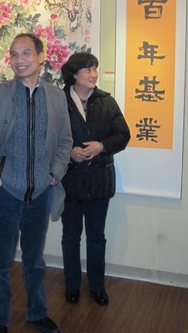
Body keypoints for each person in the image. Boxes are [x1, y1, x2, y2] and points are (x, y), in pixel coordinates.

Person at [0, 33, 73, 333]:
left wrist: (55, 173)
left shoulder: (56, 98)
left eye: (26, 53)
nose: (19, 59)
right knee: (0, 262)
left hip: (40, 194)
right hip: (5, 194)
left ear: (41, 56)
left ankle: (37, 312)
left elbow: (65, 141)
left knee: (34, 260)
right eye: (14, 54)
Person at [59, 52, 130, 306]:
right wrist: (69, 151)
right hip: (70, 181)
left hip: (99, 180)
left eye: (95, 69)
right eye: (88, 70)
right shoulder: (59, 101)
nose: (93, 74)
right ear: (74, 74)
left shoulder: (106, 101)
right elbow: (47, 137)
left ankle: (97, 286)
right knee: (70, 236)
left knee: (97, 236)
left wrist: (101, 145)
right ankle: (72, 285)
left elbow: (123, 135)